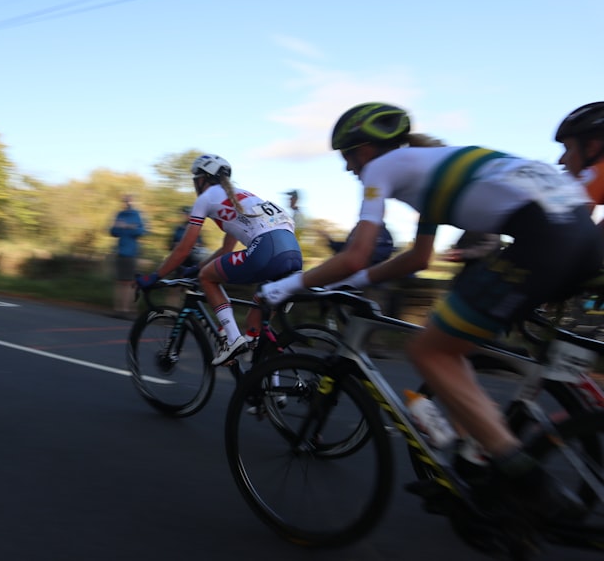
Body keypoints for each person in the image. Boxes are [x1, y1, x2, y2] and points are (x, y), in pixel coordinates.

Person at [257, 102, 600, 520]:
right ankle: (477, 461)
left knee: (429, 352)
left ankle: (527, 480)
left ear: (365, 150)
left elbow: (356, 254)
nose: (348, 169)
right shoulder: (430, 168)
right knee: (456, 348)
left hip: (544, 239)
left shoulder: (385, 168)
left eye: (348, 157)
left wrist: (284, 287)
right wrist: (354, 283)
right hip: (581, 241)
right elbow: (418, 258)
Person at [135, 154, 302, 366]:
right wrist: (196, 267)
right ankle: (270, 390)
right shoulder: (240, 196)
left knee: (207, 278)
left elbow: (183, 249)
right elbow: (226, 249)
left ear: (203, 179)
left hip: (267, 250)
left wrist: (155, 276)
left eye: (195, 179)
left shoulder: (206, 198)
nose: (195, 183)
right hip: (293, 254)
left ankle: (231, 338)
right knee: (256, 329)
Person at [555, 101, 604, 234]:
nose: (560, 161)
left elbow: (561, 231)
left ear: (592, 148)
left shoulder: (599, 172)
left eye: (568, 148)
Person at [109, 195, 146, 318]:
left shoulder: (136, 215)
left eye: (129, 201)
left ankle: (126, 310)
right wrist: (117, 227)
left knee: (129, 282)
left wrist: (130, 227)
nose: (127, 203)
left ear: (133, 202)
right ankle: (118, 309)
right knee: (119, 282)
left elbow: (142, 231)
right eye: (125, 201)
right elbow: (113, 232)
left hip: (132, 252)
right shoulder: (120, 214)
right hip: (120, 252)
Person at [170, 205, 207, 273]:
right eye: (186, 214)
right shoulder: (179, 228)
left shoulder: (197, 228)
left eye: (189, 214)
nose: (187, 216)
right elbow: (171, 244)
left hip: (192, 256)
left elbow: (200, 244)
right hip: (180, 256)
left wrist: (193, 245)